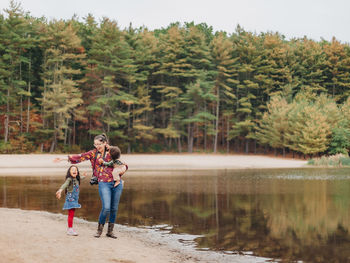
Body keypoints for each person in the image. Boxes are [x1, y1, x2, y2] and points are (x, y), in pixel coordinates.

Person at [53, 134, 128, 239]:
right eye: (95, 144)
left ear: (105, 143)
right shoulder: (93, 153)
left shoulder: (112, 151)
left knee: (114, 208)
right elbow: (80, 157)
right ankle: (99, 230)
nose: (97, 146)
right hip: (103, 183)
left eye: (99, 144)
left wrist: (124, 168)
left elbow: (122, 163)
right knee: (106, 207)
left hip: (117, 183)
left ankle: (110, 231)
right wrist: (63, 158)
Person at [55, 165, 85, 236]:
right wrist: (60, 190)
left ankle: (70, 228)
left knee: (72, 213)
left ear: (77, 172)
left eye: (76, 170)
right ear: (69, 172)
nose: (74, 171)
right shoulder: (69, 179)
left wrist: (84, 176)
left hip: (75, 199)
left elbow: (80, 178)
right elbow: (65, 184)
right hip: (70, 199)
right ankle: (70, 229)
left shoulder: (77, 179)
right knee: (71, 214)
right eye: (72, 170)